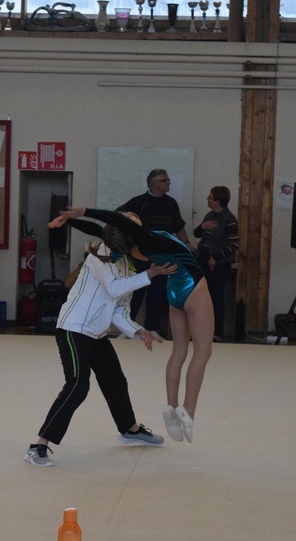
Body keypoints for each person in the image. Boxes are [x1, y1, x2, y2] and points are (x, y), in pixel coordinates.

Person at [54, 206, 214, 444]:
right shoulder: (144, 239)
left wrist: (69, 221)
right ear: (128, 228)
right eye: (128, 217)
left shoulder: (132, 245)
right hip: (193, 286)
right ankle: (188, 410)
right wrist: (83, 210)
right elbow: (114, 221)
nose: (132, 216)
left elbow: (99, 230)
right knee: (202, 351)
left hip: (173, 290)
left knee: (179, 350)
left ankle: (171, 405)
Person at [24, 220, 174, 467]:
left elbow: (119, 310)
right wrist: (150, 274)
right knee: (77, 385)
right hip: (73, 329)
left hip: (97, 334)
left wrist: (138, 331)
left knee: (115, 380)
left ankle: (130, 429)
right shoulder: (100, 253)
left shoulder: (126, 264)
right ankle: (38, 446)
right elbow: (113, 289)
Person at [116, 169, 189, 337]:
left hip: (163, 255)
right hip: (140, 254)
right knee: (135, 292)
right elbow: (118, 214)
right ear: (154, 183)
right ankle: (129, 328)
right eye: (165, 180)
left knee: (157, 292)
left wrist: (186, 243)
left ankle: (152, 328)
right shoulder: (139, 202)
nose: (168, 183)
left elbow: (178, 226)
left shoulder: (171, 203)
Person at [193, 186, 239, 340]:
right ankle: (200, 330)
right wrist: (202, 226)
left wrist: (215, 258)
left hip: (219, 263)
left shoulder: (229, 219)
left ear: (218, 201)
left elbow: (234, 244)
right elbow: (196, 234)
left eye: (210, 197)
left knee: (216, 296)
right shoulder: (209, 215)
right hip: (202, 259)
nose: (207, 199)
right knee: (200, 296)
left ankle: (216, 332)